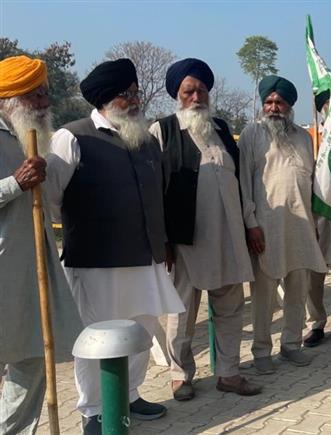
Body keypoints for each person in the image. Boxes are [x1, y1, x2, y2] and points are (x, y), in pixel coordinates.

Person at [46, 58, 185, 433]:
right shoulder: (73, 137)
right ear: (107, 98)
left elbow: (158, 194)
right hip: (95, 261)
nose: (136, 100)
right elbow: (53, 198)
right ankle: (94, 410)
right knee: (97, 337)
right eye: (128, 94)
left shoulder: (145, 140)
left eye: (137, 93)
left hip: (145, 257)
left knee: (141, 329)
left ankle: (129, 394)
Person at [149, 58, 259, 400]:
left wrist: (250, 224)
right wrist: (162, 240)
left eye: (201, 90)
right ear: (177, 95)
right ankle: (180, 376)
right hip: (186, 240)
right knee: (181, 311)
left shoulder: (222, 129)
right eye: (188, 91)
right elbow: (153, 190)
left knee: (230, 307)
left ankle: (229, 373)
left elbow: (240, 182)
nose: (196, 97)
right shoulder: (163, 130)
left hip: (229, 236)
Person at [0, 55, 81, 435]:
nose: (46, 102)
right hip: (3, 270)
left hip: (30, 269)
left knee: (32, 358)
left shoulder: (26, 135)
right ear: (10, 98)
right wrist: (15, 183)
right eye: (35, 95)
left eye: (45, 93)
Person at [239, 75, 327, 374]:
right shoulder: (251, 134)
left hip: (301, 226)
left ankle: (291, 345)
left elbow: (311, 183)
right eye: (269, 102)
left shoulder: (304, 137)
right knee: (263, 295)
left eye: (279, 102)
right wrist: (250, 223)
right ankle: (261, 351)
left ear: (290, 105)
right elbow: (243, 183)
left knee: (297, 291)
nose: (273, 107)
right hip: (266, 227)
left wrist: (316, 224)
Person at [305, 81, 331, 347]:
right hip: (315, 215)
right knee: (313, 274)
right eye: (325, 105)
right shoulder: (309, 136)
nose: (329, 109)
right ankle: (316, 323)